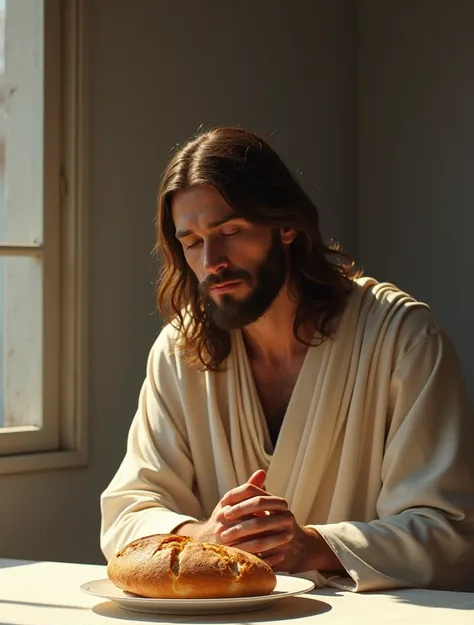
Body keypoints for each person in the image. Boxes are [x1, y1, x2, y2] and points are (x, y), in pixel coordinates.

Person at [100, 126, 474, 592]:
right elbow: (128, 513)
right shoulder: (181, 351)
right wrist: (203, 536)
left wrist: (311, 545)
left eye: (230, 231)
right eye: (192, 242)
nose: (212, 260)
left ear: (287, 226)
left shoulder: (400, 337)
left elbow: (449, 532)